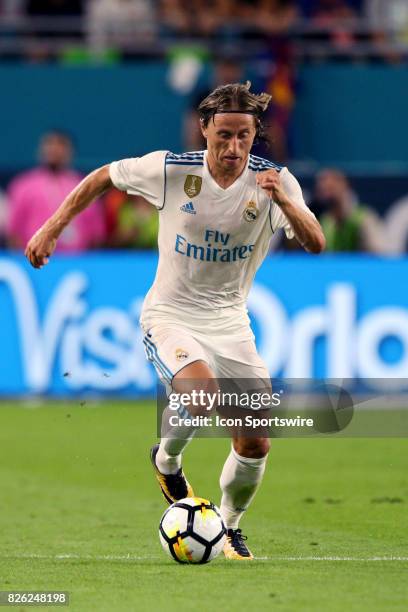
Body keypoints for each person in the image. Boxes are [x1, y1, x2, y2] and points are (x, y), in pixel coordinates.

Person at [25, 82, 325, 560]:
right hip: (170, 314)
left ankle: (228, 528)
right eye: (223, 134)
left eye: (244, 137)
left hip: (230, 321)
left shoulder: (276, 181)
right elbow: (104, 176)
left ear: (255, 134)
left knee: (256, 442)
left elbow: (316, 242)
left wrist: (286, 202)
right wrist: (51, 227)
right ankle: (167, 460)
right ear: (203, 128)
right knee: (201, 397)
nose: (233, 148)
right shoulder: (171, 169)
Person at [7, 131, 105, 252]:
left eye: (60, 145)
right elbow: (14, 232)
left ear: (70, 151)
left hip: (77, 263)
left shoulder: (86, 184)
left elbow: (96, 235)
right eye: (49, 144)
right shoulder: (23, 185)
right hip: (33, 262)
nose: (54, 149)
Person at [310, 168, 385, 252]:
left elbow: (377, 255)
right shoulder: (324, 221)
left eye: (331, 188)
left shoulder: (365, 219)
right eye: (322, 190)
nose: (327, 193)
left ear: (344, 185)